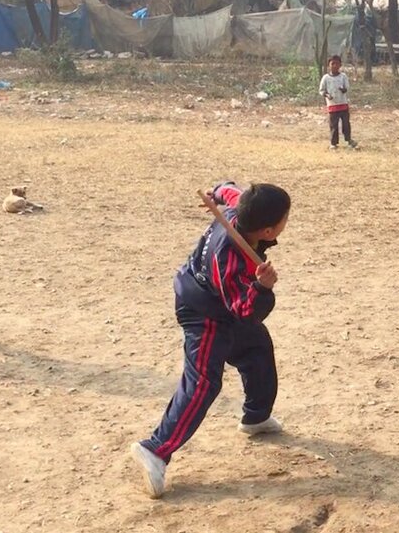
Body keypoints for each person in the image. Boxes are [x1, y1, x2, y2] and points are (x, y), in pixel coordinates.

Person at [130, 182, 290, 499]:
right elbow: (244, 310)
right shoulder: (230, 259)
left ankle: (256, 416)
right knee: (204, 380)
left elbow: (228, 189)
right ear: (269, 231)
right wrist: (262, 288)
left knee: (256, 348)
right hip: (203, 311)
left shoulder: (236, 209)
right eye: (286, 218)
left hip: (222, 302)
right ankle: (156, 449)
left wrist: (214, 193)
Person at [319, 54, 358, 150]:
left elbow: (347, 88)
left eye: (337, 64)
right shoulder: (326, 78)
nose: (335, 66)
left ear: (340, 65)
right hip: (332, 106)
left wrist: (343, 89)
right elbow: (321, 90)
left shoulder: (343, 76)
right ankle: (333, 143)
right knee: (333, 125)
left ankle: (349, 140)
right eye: (333, 64)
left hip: (343, 105)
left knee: (346, 124)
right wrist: (327, 95)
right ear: (329, 65)